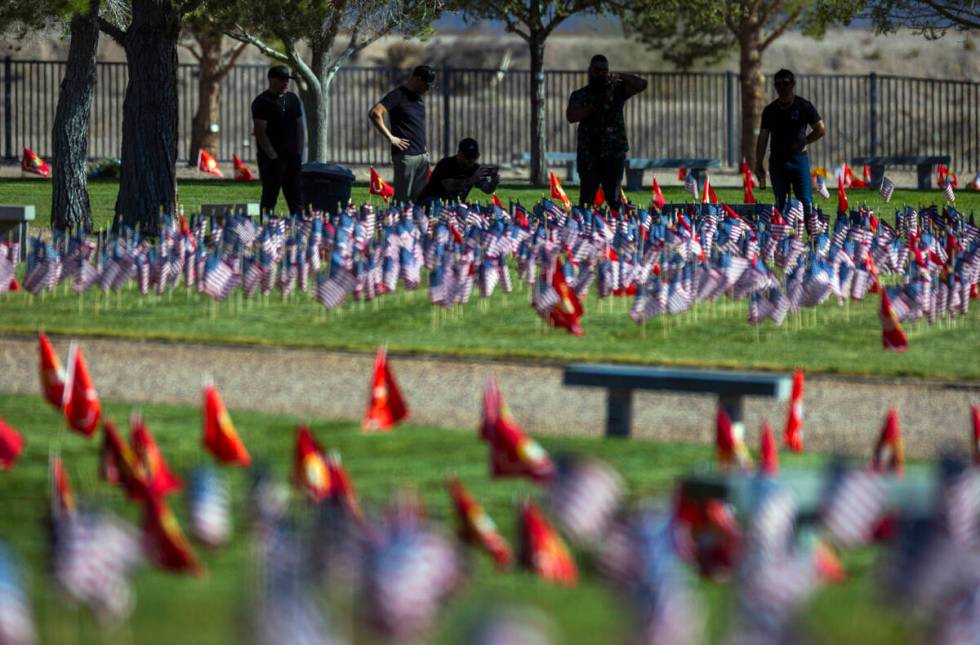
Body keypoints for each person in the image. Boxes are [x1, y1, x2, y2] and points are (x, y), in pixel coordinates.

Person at [566, 55, 647, 212]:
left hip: (613, 152)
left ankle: (616, 228)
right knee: (587, 198)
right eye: (597, 70)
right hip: (589, 153)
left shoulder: (617, 91)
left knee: (614, 198)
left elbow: (642, 84)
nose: (601, 74)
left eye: (604, 71)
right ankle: (587, 229)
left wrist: (619, 76)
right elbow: (571, 116)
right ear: (590, 71)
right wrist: (592, 106)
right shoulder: (581, 94)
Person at [755, 69, 826, 219]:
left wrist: (805, 141)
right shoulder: (770, 110)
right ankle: (782, 239)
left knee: (806, 202)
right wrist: (759, 163)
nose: (781, 87)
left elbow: (820, 129)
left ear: (792, 84)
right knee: (781, 202)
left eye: (785, 83)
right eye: (778, 84)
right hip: (777, 162)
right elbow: (763, 138)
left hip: (799, 160)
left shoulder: (803, 106)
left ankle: (813, 238)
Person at [369, 65, 436, 204]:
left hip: (422, 156)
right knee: (402, 201)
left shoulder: (418, 98)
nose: (428, 89)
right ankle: (398, 224)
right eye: (426, 85)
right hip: (406, 156)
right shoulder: (398, 95)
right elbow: (375, 113)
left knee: (420, 200)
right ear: (417, 79)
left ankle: (416, 225)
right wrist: (391, 138)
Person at [251, 65, 306, 215]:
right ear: (271, 80)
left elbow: (300, 127)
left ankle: (299, 229)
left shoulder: (293, 99)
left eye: (287, 80)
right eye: (281, 80)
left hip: (292, 157)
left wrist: (299, 152)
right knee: (269, 197)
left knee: (296, 198)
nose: (285, 83)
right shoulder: (262, 102)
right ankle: (266, 230)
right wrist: (274, 157)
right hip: (271, 159)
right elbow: (260, 132)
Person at [415, 138, 500, 204]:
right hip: (433, 201)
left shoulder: (474, 169)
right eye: (467, 157)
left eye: (474, 157)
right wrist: (471, 180)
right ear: (459, 154)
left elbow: (487, 190)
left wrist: (493, 183)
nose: (470, 160)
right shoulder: (446, 164)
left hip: (453, 205)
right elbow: (449, 187)